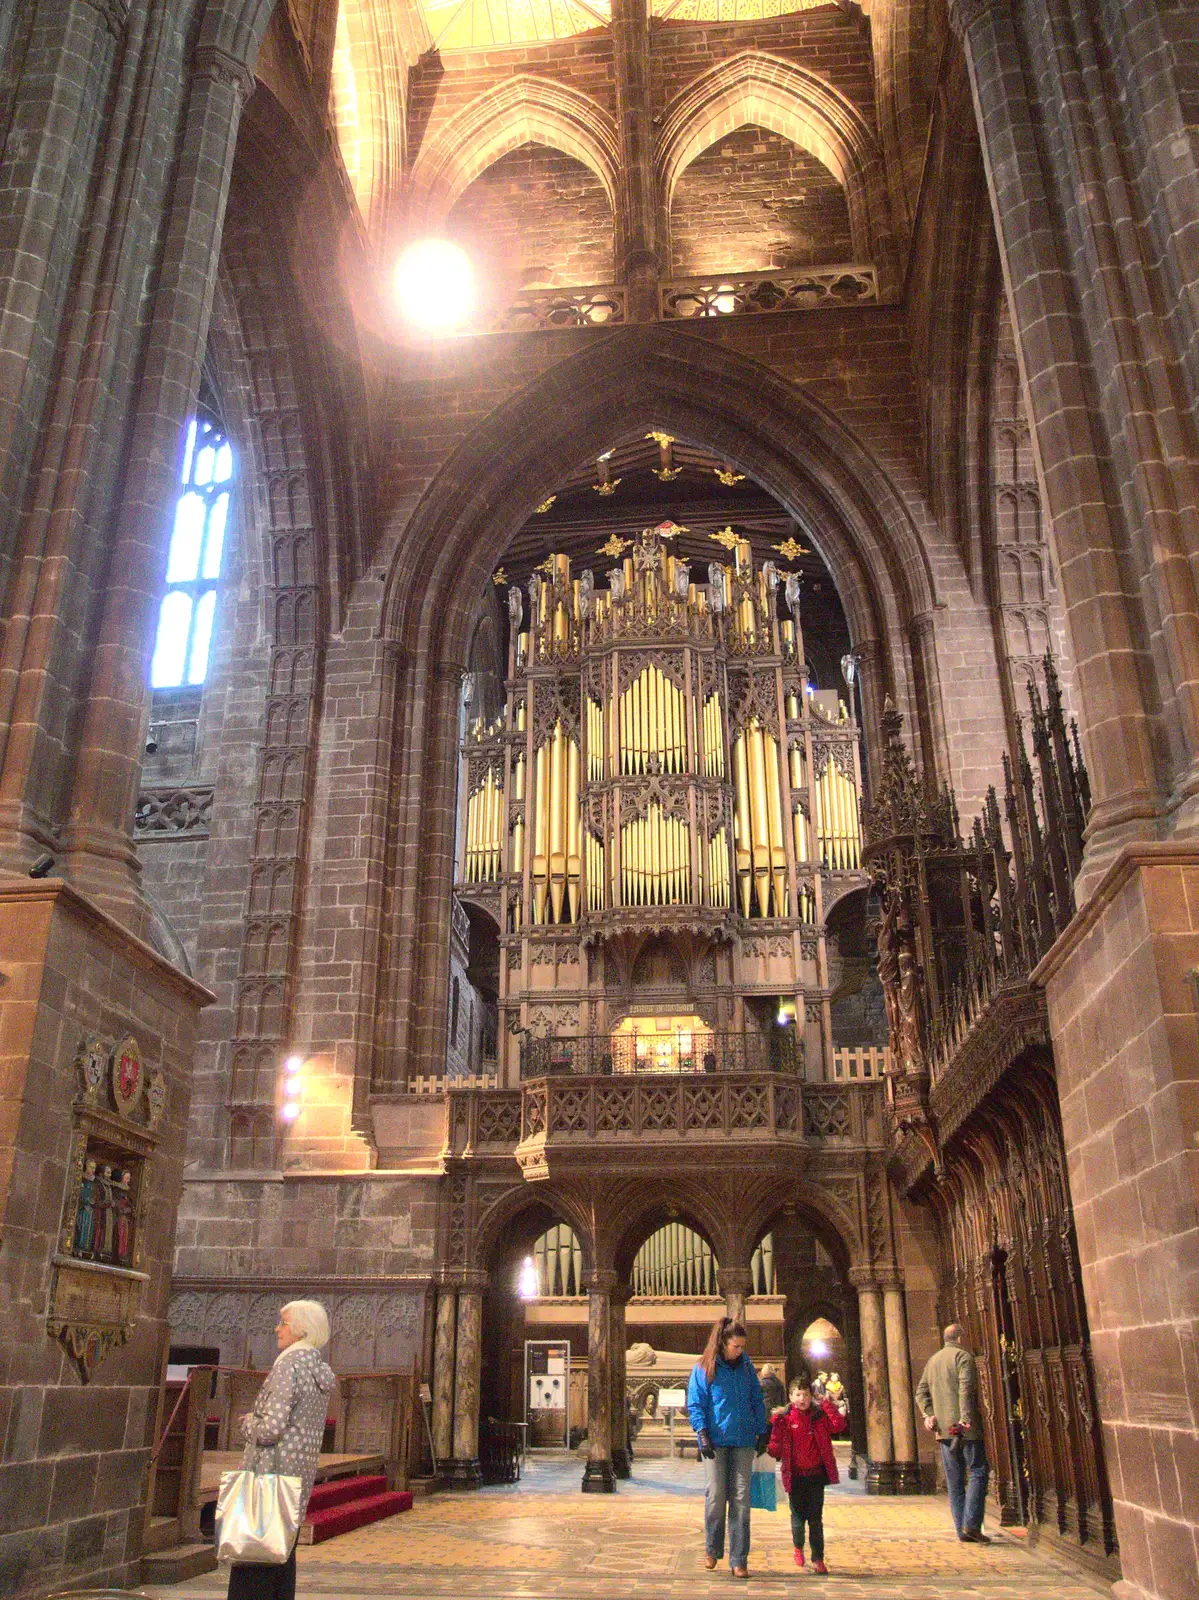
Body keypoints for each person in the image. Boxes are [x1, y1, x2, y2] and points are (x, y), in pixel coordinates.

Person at [228, 1300, 336, 1600]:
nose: (278, 1328)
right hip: (295, 1479)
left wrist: (248, 1422)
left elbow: (270, 1429)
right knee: (282, 1563)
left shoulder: (289, 1365)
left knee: (254, 1568)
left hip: (268, 1477)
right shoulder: (316, 1369)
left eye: (283, 1322)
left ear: (301, 1329)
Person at [687, 1316, 769, 1579]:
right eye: (736, 1346)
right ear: (722, 1343)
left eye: (742, 1347)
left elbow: (757, 1398)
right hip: (716, 1442)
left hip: (743, 1440)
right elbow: (696, 1403)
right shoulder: (703, 1368)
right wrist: (702, 1433)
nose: (740, 1351)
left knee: (742, 1501)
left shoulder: (746, 1367)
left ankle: (738, 1559)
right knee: (715, 1497)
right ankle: (712, 1548)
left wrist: (762, 1429)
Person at [916, 1323, 991, 1544]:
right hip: (964, 1430)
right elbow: (966, 1388)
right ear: (960, 1339)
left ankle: (962, 1530)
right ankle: (971, 1524)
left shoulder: (933, 1360)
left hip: (944, 1431)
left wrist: (928, 1415)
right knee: (978, 1471)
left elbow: (921, 1393)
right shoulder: (963, 1357)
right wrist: (966, 1419)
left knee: (955, 1481)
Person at [768, 1376, 846, 1574]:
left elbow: (838, 1425)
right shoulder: (784, 1419)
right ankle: (798, 1547)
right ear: (791, 1396)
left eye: (806, 1394)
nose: (802, 1399)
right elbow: (776, 1444)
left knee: (815, 1519)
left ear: (812, 1396)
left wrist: (826, 1404)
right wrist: (770, 1446)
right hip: (794, 1476)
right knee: (797, 1517)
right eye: (798, 1394)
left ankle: (818, 1558)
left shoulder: (819, 1417)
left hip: (815, 1475)